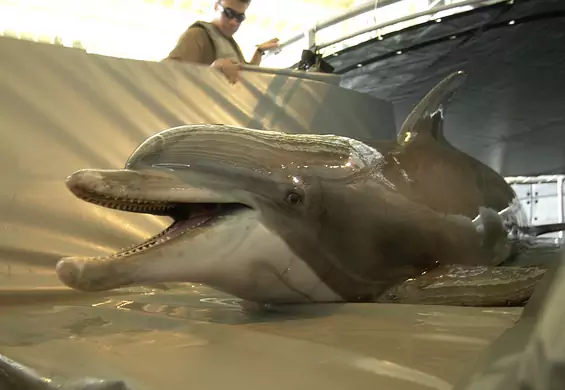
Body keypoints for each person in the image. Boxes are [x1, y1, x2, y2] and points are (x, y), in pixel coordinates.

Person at [163, 0, 280, 84]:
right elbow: (167, 71)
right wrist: (210, 72)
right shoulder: (198, 35)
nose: (234, 22)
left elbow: (243, 73)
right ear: (216, 7)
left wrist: (259, 52)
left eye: (240, 17)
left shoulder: (228, 42)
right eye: (229, 13)